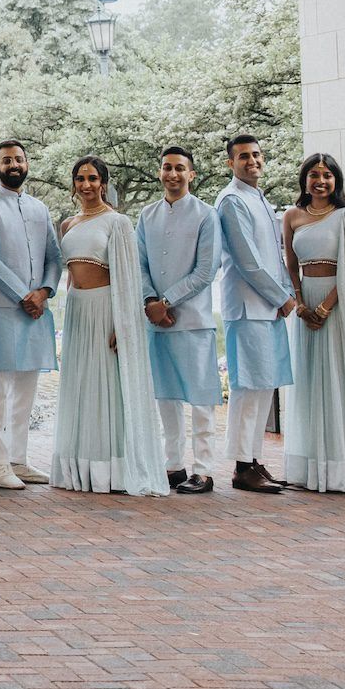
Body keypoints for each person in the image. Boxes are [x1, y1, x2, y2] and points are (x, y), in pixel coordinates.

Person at [49, 157, 167, 496]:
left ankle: (110, 469)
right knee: (81, 385)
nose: (86, 185)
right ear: (74, 184)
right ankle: (79, 466)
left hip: (106, 308)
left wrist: (124, 322)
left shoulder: (117, 223)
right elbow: (70, 275)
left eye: (92, 178)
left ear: (103, 182)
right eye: (80, 178)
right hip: (77, 312)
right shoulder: (68, 225)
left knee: (107, 386)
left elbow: (127, 278)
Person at [278, 154, 345, 496]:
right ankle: (313, 465)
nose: (320, 181)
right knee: (312, 381)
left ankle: (342, 466)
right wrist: (301, 303)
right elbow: (290, 263)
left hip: (339, 306)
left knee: (339, 379)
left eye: (326, 175)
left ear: (336, 180)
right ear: (304, 179)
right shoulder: (292, 216)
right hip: (306, 302)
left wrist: (325, 307)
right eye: (313, 174)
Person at [0, 140, 60, 490]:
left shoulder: (39, 208)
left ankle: (19, 460)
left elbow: (54, 256)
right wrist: (25, 294)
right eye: (6, 160)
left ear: (26, 164)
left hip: (36, 311)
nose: (13, 164)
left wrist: (44, 291)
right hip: (0, 309)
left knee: (26, 387)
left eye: (19, 159)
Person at [135, 147, 220, 495]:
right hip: (156, 321)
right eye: (167, 168)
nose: (173, 174)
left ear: (191, 175)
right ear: (159, 173)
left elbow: (206, 270)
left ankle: (203, 469)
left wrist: (167, 301)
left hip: (193, 320)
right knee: (165, 398)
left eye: (180, 169)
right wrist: (150, 300)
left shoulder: (206, 215)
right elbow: (138, 264)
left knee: (200, 399)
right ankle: (173, 465)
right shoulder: (146, 215)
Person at [216, 134, 296, 494]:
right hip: (249, 306)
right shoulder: (232, 200)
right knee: (248, 386)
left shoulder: (259, 198)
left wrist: (285, 295)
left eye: (257, 155)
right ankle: (241, 465)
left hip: (268, 307)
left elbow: (275, 256)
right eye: (244, 156)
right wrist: (282, 297)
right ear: (230, 162)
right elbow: (247, 259)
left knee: (265, 384)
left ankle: (254, 458)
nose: (252, 161)